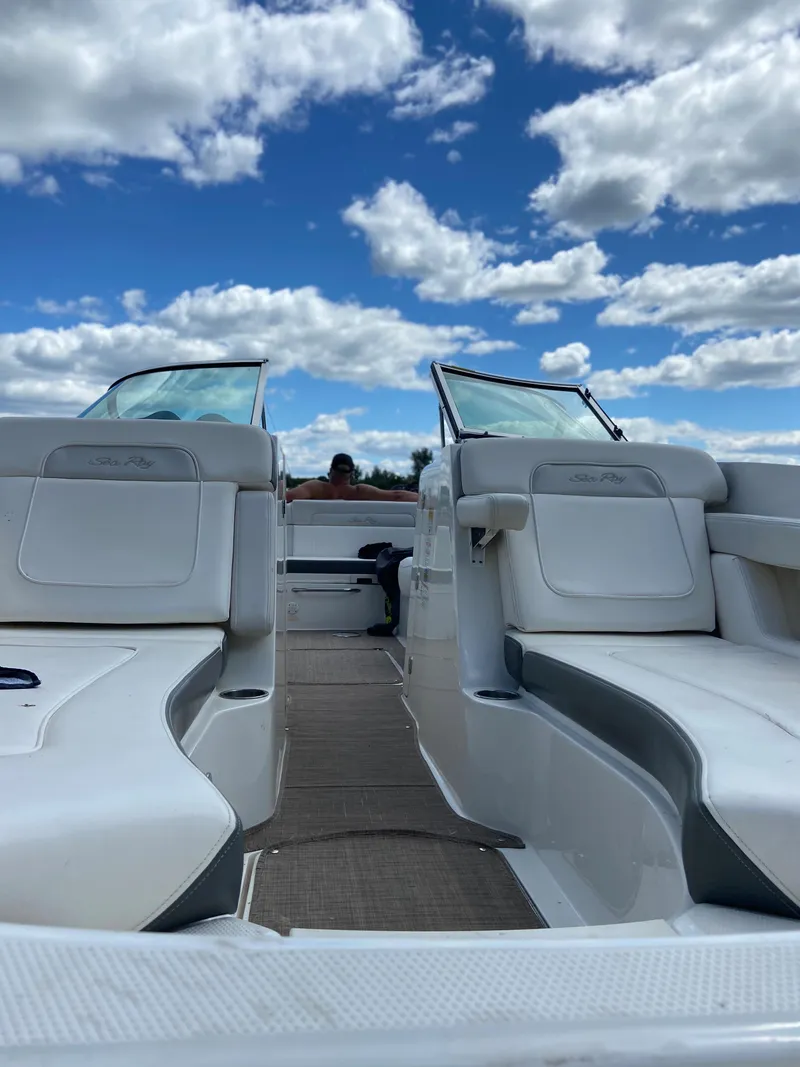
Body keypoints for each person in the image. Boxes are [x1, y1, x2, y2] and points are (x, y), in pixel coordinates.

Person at [285, 453, 419, 502]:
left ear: (330, 471)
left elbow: (287, 496)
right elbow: (397, 496)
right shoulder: (361, 492)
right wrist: (427, 498)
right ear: (352, 474)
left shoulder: (315, 488)